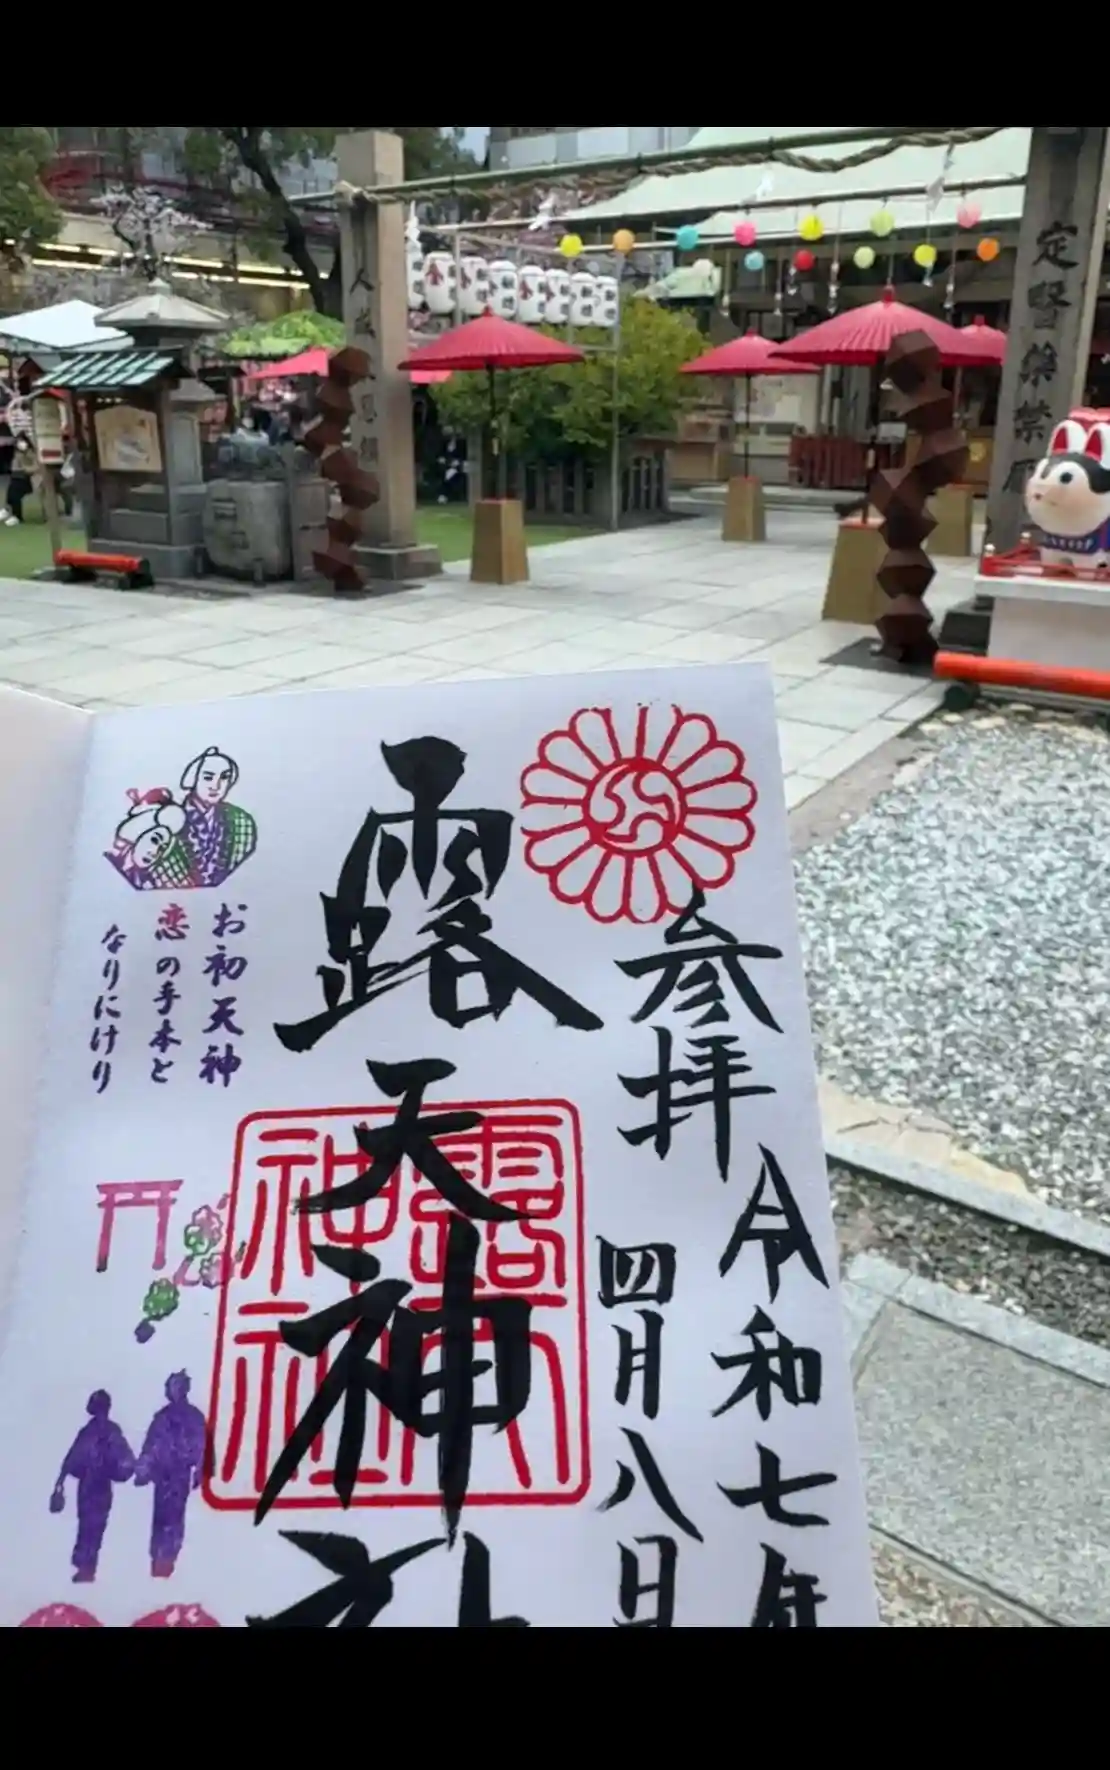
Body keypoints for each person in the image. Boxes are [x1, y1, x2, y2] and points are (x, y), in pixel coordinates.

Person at [50, 1391, 136, 1584]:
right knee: (91, 1526)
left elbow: (125, 1459)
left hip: (94, 1486)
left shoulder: (97, 1431)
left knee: (91, 1526)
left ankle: (86, 1568)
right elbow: (72, 1458)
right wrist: (60, 1482)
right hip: (94, 1486)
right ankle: (86, 1567)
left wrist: (60, 1482)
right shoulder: (100, 1431)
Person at [134, 1372, 207, 1579]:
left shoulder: (191, 1417)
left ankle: (166, 1561)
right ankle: (160, 1561)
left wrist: (200, 1470)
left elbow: (202, 1446)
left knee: (172, 1518)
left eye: (172, 1387)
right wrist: (143, 1469)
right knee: (164, 1517)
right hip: (163, 1475)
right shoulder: (165, 1417)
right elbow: (151, 1446)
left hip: (178, 1474)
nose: (169, 1391)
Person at [0, 434, 34, 525]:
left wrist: (25, 469)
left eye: (21, 441)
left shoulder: (30, 453)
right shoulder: (17, 453)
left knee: (15, 495)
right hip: (16, 477)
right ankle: (7, 510)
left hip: (24, 478)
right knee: (11, 494)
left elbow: (36, 466)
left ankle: (17, 516)